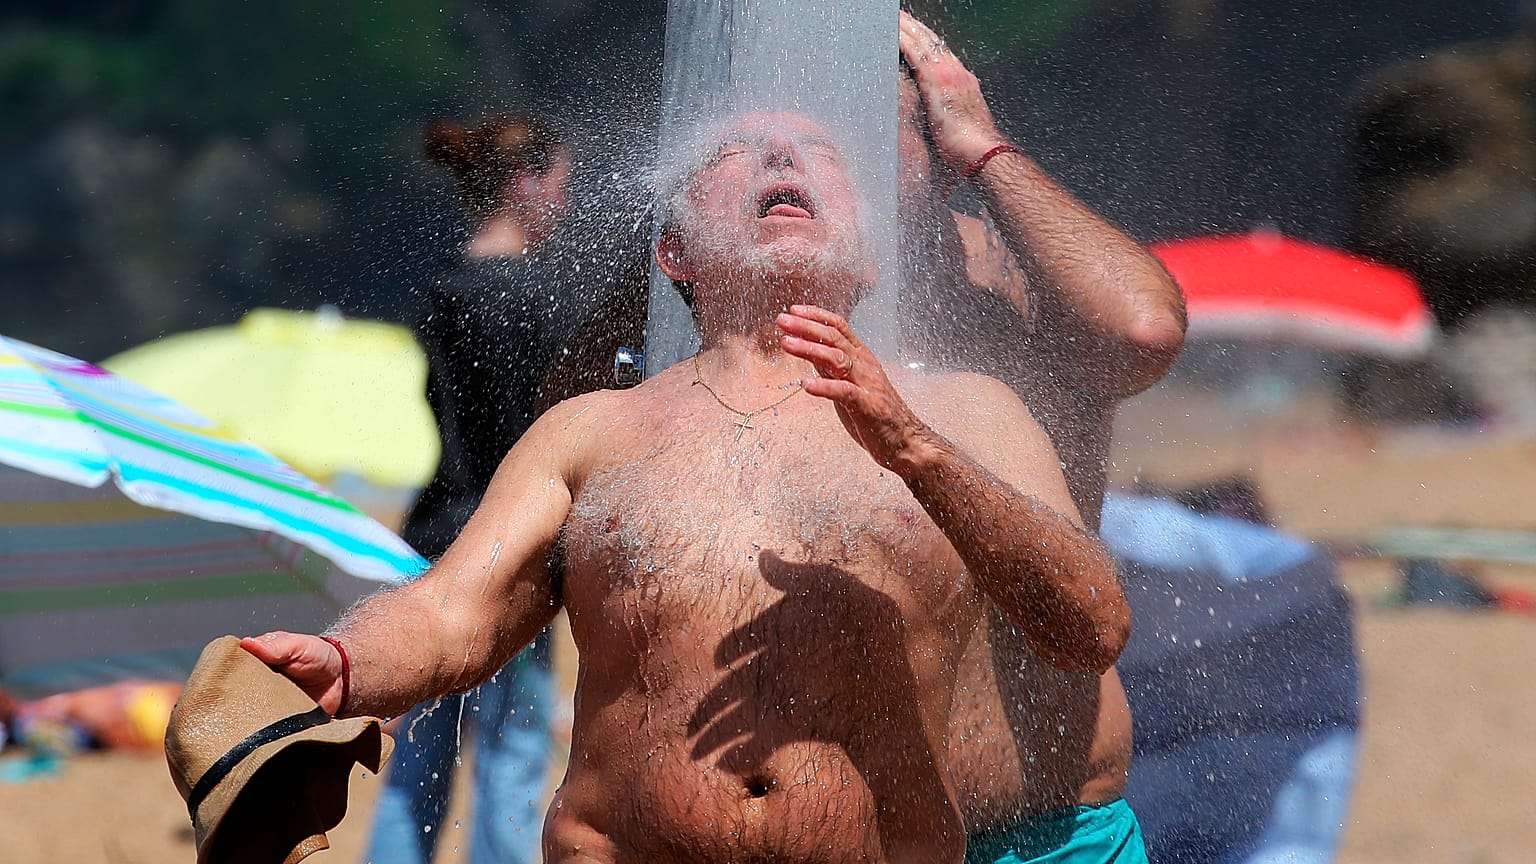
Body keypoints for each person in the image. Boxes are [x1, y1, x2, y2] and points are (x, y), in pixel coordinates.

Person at [243, 108, 1127, 863]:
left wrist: (917, 452)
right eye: (730, 153)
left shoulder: (967, 416)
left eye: (820, 152)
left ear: (867, 260)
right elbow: (451, 613)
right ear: (674, 252)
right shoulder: (591, 430)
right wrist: (348, 661)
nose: (782, 157)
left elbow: (1091, 625)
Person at [895, 11, 1186, 864]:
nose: (826, 164)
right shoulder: (723, 293)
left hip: (1043, 835)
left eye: (867, 138)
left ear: (940, 160)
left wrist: (982, 144)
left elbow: (1141, 334)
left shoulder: (1015, 287)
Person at [365, 113, 576, 864]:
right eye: (559, 185)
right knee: (513, 753)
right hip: (508, 545)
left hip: (427, 538)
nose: (565, 203)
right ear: (524, 184)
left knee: (418, 757)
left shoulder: (440, 288)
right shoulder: (540, 294)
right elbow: (544, 432)